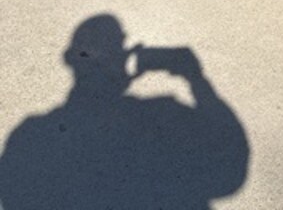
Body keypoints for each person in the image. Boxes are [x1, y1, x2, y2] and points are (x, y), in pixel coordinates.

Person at [0, 14, 249, 209]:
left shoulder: (29, 135)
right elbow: (230, 171)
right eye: (120, 44)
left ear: (69, 59)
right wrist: (195, 78)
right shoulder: (162, 115)